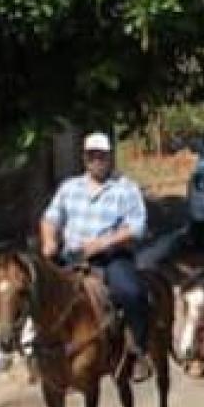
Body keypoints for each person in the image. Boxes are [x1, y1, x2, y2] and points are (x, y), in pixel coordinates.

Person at [40, 132, 153, 381]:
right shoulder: (69, 188)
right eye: (92, 156)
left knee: (131, 293)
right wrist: (49, 242)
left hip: (111, 258)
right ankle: (37, 352)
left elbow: (136, 227)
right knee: (38, 291)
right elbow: (50, 218)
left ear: (110, 157)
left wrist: (102, 243)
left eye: (102, 155)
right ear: (84, 158)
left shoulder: (125, 188)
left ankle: (138, 351)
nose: (97, 160)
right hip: (71, 257)